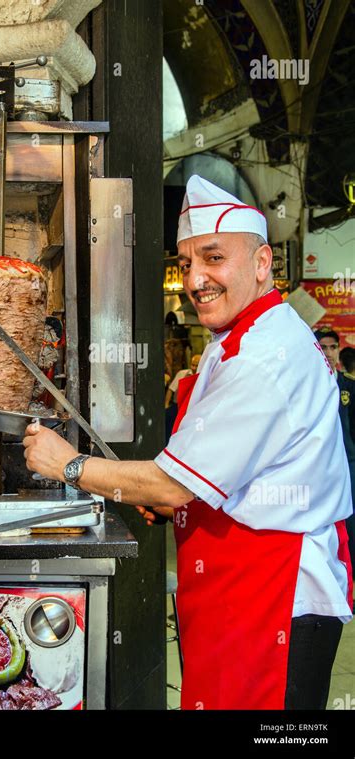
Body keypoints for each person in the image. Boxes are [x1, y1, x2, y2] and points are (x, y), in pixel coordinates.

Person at [23, 175, 353, 710]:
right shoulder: (241, 336)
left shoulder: (266, 355)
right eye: (186, 263)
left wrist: (70, 465)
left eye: (215, 258)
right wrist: (168, 492)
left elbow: (174, 484)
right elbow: (199, 475)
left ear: (263, 262)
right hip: (243, 587)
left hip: (276, 596)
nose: (197, 278)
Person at [315, 329, 355, 570]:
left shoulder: (348, 386)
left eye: (333, 347)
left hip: (348, 465)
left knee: (350, 525)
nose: (329, 353)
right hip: (318, 467)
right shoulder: (306, 384)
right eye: (324, 347)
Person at [164, 354, 201, 443]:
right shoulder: (182, 374)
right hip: (178, 405)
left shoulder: (203, 376)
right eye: (193, 365)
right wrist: (166, 404)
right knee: (166, 419)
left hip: (194, 408)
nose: (194, 367)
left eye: (197, 365)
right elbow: (171, 389)